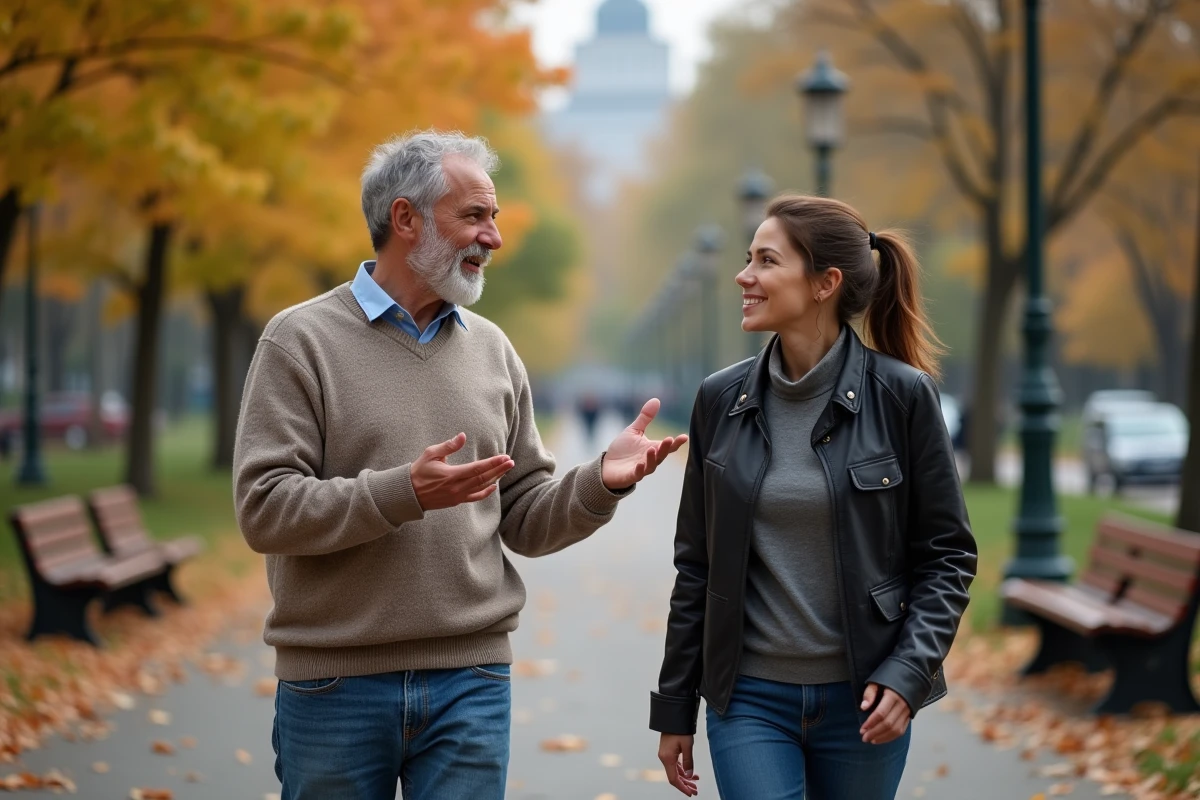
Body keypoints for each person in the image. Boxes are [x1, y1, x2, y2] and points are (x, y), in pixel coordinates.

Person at [233, 130, 686, 800]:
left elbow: (525, 519)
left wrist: (600, 483)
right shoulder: (299, 341)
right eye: (474, 216)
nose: (494, 237)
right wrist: (403, 492)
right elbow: (266, 511)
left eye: (494, 217)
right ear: (406, 219)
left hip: (471, 679)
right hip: (334, 683)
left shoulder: (494, 351)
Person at [650, 195, 977, 800]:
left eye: (766, 260)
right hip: (747, 698)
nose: (744, 276)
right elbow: (696, 565)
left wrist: (908, 676)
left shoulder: (903, 397)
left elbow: (947, 557)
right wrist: (675, 706)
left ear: (825, 282)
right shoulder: (719, 401)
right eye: (748, 258)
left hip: (866, 698)